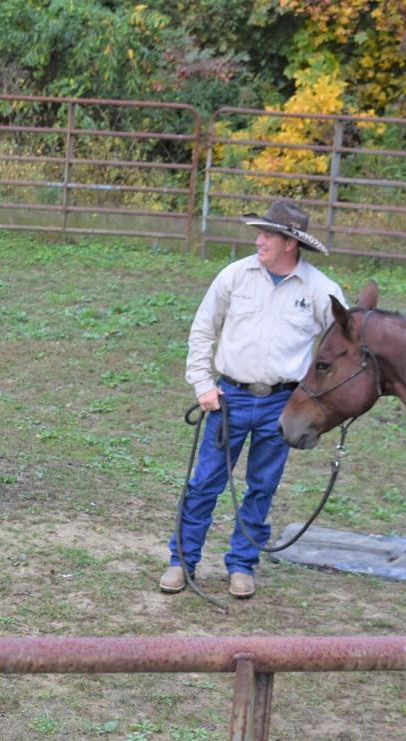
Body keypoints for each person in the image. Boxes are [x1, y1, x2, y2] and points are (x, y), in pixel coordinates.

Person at [161, 199, 343, 599]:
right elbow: (202, 331)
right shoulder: (234, 276)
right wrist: (203, 385)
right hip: (229, 399)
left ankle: (242, 565)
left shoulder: (320, 291)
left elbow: (343, 348)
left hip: (282, 405)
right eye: (260, 234)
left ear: (290, 244)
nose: (258, 241)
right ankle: (182, 561)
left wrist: (322, 402)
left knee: (262, 485)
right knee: (204, 482)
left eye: (267, 235)